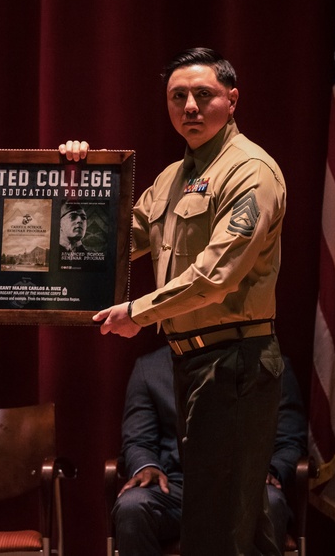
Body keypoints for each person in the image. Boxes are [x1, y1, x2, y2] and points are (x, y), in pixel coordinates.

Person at [81, 47, 288, 555]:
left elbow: (215, 277)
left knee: (216, 528)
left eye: (203, 94)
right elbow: (114, 241)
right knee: (239, 525)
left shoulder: (251, 171)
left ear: (232, 99)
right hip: (192, 360)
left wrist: (138, 312)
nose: (189, 106)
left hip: (234, 363)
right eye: (178, 97)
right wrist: (78, 182)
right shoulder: (174, 176)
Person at [112, 347, 307, 555]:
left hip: (244, 487)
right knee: (132, 507)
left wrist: (270, 470)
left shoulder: (269, 362)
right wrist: (146, 466)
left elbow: (290, 442)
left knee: (272, 502)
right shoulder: (149, 368)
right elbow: (139, 441)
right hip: (176, 487)